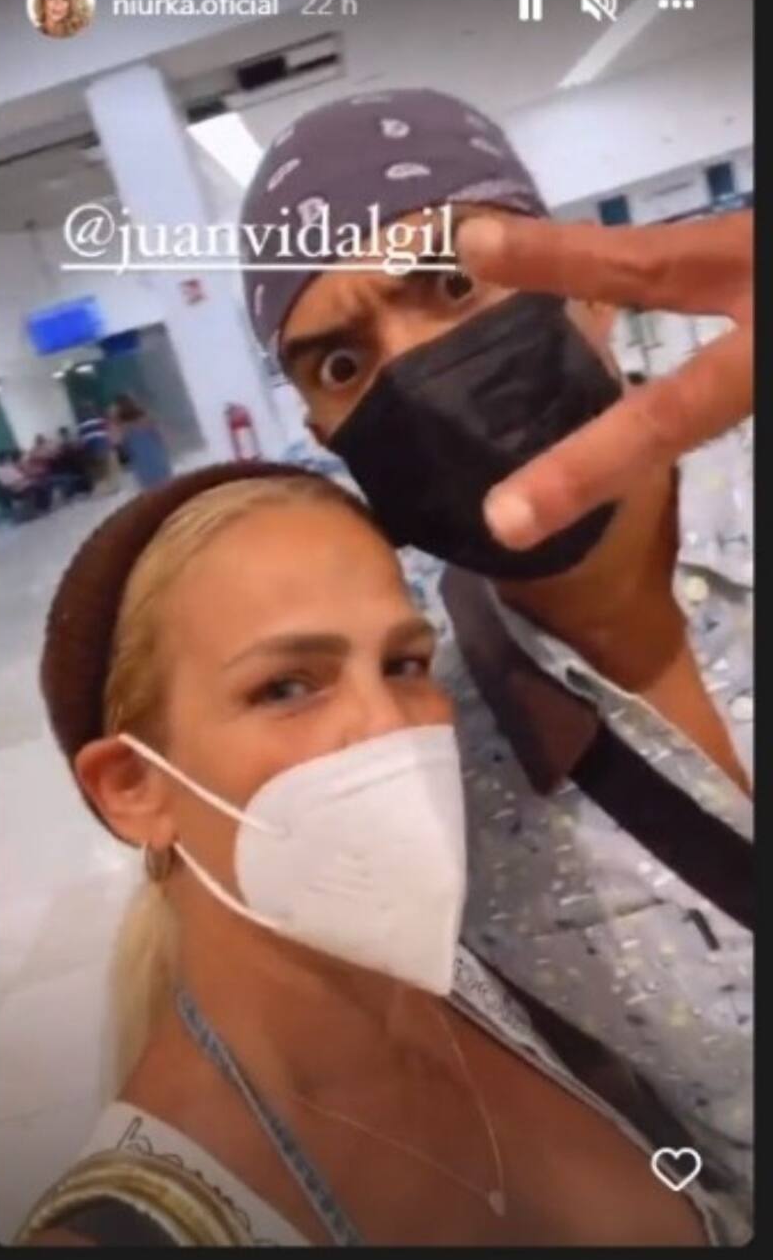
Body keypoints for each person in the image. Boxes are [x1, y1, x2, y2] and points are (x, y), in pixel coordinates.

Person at [238, 90, 753, 1201]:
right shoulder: (435, 781)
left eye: (450, 285)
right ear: (324, 434)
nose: (419, 372)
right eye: (341, 365)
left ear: (590, 290)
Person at [17, 464, 739, 1245]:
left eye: (404, 664)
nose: (390, 724)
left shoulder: (497, 982)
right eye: (286, 686)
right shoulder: (131, 1229)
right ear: (134, 787)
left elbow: (680, 1167)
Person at [109, 394, 173, 491]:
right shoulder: (146, 418)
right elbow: (162, 436)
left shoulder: (121, 426)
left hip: (141, 464)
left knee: (153, 492)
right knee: (168, 488)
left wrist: (113, 418)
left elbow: (115, 441)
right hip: (157, 458)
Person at [77, 403, 122, 496]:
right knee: (110, 466)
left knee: (97, 471)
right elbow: (107, 434)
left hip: (91, 451)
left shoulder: (81, 426)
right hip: (104, 448)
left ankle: (101, 489)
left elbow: (82, 441)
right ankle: (114, 486)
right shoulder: (100, 421)